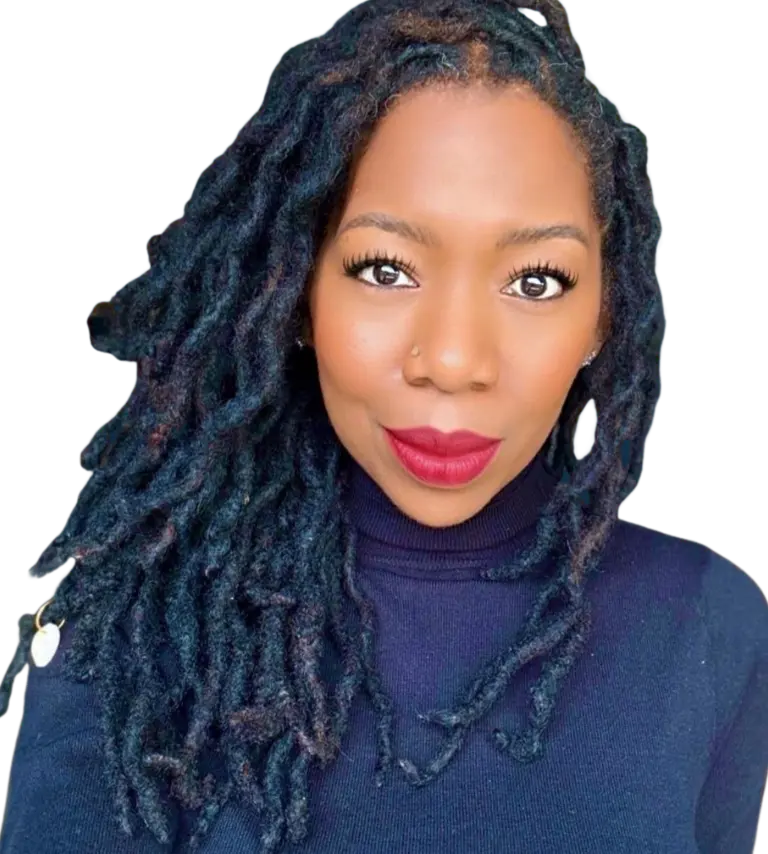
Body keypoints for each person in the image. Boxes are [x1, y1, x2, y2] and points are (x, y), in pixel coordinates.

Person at [1, 1, 765, 852]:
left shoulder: (712, 627)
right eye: (386, 268)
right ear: (296, 294)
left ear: (603, 317)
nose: (450, 358)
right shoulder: (132, 642)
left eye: (537, 281)